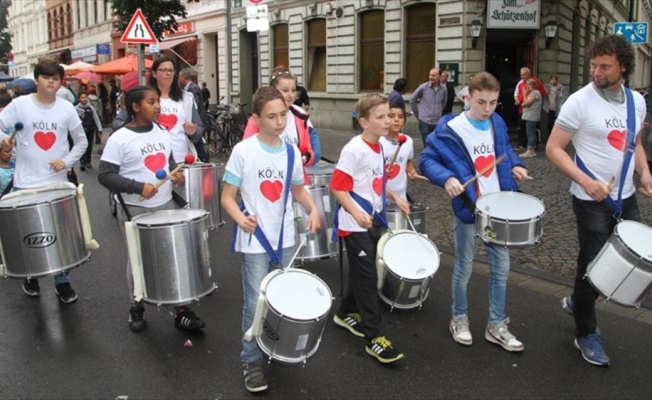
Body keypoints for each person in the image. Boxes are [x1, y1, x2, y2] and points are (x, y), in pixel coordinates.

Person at [546, 34, 652, 367]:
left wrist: (645, 172)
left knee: (626, 259)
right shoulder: (579, 101)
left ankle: (580, 301)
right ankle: (586, 333)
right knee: (592, 266)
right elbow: (554, 148)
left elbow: (633, 143)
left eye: (605, 66)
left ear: (624, 66)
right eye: (593, 64)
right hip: (589, 199)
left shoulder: (637, 101)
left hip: (626, 196)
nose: (597, 72)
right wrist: (586, 181)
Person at [418, 72, 530, 353]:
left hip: (498, 207)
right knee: (464, 266)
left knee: (501, 269)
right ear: (467, 97)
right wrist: (446, 178)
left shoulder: (497, 122)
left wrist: (515, 164)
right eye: (481, 102)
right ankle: (459, 318)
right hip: (469, 207)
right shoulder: (449, 129)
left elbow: (502, 150)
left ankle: (496, 325)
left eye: (493, 102)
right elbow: (426, 160)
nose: (488, 109)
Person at [221, 86, 321, 393]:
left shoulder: (291, 152)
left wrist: (313, 208)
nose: (279, 122)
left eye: (283, 115)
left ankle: (272, 344)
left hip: (285, 237)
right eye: (271, 116)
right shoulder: (244, 151)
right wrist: (241, 219)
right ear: (256, 118)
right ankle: (251, 359)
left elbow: (297, 189)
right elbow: (227, 197)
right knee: (256, 300)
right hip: (255, 241)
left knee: (280, 296)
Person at [98, 85, 207, 333]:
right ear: (135, 107)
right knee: (138, 258)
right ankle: (137, 306)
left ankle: (182, 310)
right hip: (135, 209)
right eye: (151, 102)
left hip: (165, 204)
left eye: (158, 101)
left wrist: (173, 176)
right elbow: (105, 176)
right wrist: (138, 187)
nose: (157, 106)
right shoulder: (119, 138)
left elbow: (167, 162)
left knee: (173, 254)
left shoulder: (161, 130)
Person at [330, 93, 410, 364]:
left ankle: (345, 312)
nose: (388, 121)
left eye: (389, 115)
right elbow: (338, 188)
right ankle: (374, 336)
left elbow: (375, 182)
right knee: (367, 280)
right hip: (354, 225)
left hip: (372, 219)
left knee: (363, 272)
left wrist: (396, 197)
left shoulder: (381, 147)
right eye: (381, 117)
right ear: (364, 121)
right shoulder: (354, 149)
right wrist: (356, 213)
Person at [0, 58, 87, 303]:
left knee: (58, 235)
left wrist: (67, 161)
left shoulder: (66, 108)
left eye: (55, 78)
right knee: (30, 234)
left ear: (61, 82)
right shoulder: (19, 105)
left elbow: (81, 141)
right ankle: (31, 274)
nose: (51, 82)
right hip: (26, 183)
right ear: (37, 79)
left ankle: (62, 281)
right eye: (46, 77)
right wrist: (3, 140)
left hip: (56, 183)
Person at [113, 57, 204, 165]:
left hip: (182, 160)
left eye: (171, 70)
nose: (168, 73)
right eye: (163, 70)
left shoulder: (186, 98)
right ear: (154, 73)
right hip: (151, 160)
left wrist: (192, 132)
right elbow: (117, 124)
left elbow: (199, 130)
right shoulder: (142, 97)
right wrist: (138, 128)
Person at [243, 66, 321, 166]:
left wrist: (306, 157)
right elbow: (247, 151)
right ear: (273, 91)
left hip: (295, 175)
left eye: (293, 90)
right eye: (285, 90)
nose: (290, 95)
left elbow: (309, 144)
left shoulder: (300, 115)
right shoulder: (259, 117)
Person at [379, 101, 417, 202]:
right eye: (391, 116)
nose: (396, 120)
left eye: (400, 117)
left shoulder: (408, 141)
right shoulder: (378, 141)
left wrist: (411, 171)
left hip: (401, 194)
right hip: (380, 195)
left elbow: (407, 160)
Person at [410, 67, 447, 146]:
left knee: (436, 142)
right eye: (430, 75)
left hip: (437, 120)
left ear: (439, 76)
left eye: (433, 75)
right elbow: (413, 100)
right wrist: (418, 114)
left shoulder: (444, 89)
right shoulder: (423, 87)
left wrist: (438, 111)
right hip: (425, 120)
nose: (431, 77)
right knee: (427, 143)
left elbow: (444, 102)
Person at [178, 67, 209, 162]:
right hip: (194, 124)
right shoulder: (192, 87)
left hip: (195, 122)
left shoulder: (192, 89)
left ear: (184, 77)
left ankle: (203, 160)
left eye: (179, 77)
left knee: (197, 144)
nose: (178, 79)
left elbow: (193, 106)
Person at [513, 67, 546, 151]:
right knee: (523, 128)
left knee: (532, 130)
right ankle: (523, 144)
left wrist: (533, 103)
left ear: (529, 74)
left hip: (532, 110)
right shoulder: (520, 83)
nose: (522, 76)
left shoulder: (536, 82)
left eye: (524, 74)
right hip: (522, 110)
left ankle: (533, 146)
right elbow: (516, 93)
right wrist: (517, 101)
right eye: (521, 75)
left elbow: (542, 94)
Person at [75, 92, 102, 170]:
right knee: (82, 145)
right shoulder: (76, 108)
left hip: (90, 128)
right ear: (79, 99)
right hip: (81, 129)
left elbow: (96, 119)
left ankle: (88, 161)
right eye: (82, 97)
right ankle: (82, 162)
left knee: (89, 145)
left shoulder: (91, 107)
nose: (84, 99)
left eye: (85, 97)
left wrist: (99, 129)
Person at [520, 79, 542, 158]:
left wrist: (524, 94)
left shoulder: (535, 93)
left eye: (529, 85)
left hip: (531, 116)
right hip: (530, 116)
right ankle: (531, 151)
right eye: (527, 85)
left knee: (530, 133)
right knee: (531, 132)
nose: (527, 87)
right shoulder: (534, 93)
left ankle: (530, 150)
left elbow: (527, 103)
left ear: (533, 85)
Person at [542, 75, 565, 143]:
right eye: (552, 80)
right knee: (549, 124)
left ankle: (556, 140)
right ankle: (550, 139)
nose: (553, 81)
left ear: (557, 80)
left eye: (554, 80)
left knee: (557, 125)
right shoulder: (547, 87)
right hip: (549, 108)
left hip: (557, 108)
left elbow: (564, 97)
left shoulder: (560, 88)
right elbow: (543, 94)